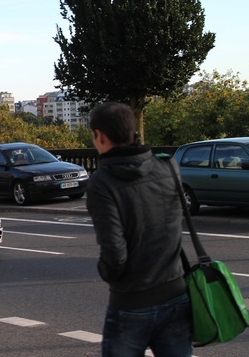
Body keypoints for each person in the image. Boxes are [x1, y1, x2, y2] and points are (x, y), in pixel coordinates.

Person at [85, 102, 191, 357]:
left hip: (132, 302)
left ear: (99, 135)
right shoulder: (167, 167)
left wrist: (108, 273)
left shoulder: (102, 183)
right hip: (176, 291)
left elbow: (114, 251)